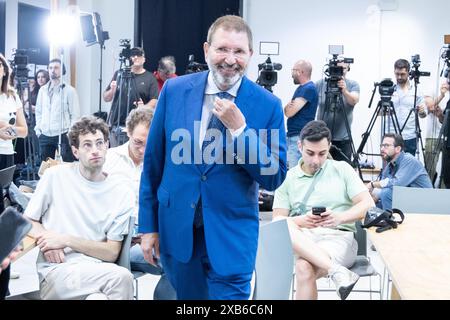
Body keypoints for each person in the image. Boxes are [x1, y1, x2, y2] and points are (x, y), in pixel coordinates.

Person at [139, 15, 287, 300]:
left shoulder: (268, 105)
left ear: (250, 55)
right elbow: (153, 164)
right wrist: (148, 226)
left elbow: (274, 175)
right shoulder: (174, 90)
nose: (230, 60)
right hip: (178, 233)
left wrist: (240, 130)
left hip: (231, 238)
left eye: (239, 51)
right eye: (222, 49)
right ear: (206, 50)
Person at [24, 116, 135, 300]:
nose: (95, 151)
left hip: (99, 270)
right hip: (58, 271)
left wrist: (65, 240)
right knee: (122, 277)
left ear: (107, 145)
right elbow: (29, 220)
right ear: (75, 152)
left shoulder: (121, 192)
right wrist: (48, 241)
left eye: (100, 143)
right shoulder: (55, 177)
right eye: (87, 145)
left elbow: (112, 252)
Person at [272, 120, 374, 300]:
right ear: (299, 146)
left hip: (339, 239)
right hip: (303, 238)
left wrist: (340, 218)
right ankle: (337, 271)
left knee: (304, 267)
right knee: (281, 224)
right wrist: (301, 221)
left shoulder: (342, 169)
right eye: (310, 153)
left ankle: (336, 270)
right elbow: (278, 220)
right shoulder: (287, 178)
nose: (316, 160)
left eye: (322, 154)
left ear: (329, 148)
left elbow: (368, 204)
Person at [0, 53, 29, 299]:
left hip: (7, 153)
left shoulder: (12, 95)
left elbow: (23, 129)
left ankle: (5, 274)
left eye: (0, 65)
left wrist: (7, 130)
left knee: (6, 208)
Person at [103, 47, 158, 147]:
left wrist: (144, 108)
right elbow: (106, 98)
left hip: (138, 126)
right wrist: (112, 90)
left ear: (144, 59)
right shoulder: (119, 74)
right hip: (117, 125)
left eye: (139, 55)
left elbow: (155, 100)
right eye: (133, 55)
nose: (136, 57)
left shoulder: (150, 78)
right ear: (129, 58)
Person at [366, 133, 432, 210]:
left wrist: (372, 184)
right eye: (382, 145)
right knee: (372, 207)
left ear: (398, 149)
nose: (382, 149)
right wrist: (370, 198)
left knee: (387, 193)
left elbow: (397, 183)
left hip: (425, 201)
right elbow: (383, 186)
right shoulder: (389, 166)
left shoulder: (409, 160)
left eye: (386, 146)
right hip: (408, 199)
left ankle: (388, 221)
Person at [35, 59, 80, 162]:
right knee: (46, 169)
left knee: (68, 165)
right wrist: (39, 129)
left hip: (63, 134)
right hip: (45, 135)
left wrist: (70, 133)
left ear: (62, 70)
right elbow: (38, 111)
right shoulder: (42, 90)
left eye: (56, 68)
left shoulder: (69, 91)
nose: (52, 70)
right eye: (50, 68)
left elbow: (75, 115)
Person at [316, 61, 360, 163]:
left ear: (348, 69)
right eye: (337, 68)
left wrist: (344, 91)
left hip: (343, 139)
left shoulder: (352, 84)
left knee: (343, 172)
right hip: (322, 137)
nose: (339, 72)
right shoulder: (320, 84)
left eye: (343, 69)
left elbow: (354, 101)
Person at [387, 59, 426, 156]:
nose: (399, 77)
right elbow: (379, 112)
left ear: (408, 72)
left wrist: (421, 111)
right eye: (397, 74)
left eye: (402, 74)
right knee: (391, 166)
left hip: (410, 135)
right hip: (392, 135)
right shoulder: (390, 90)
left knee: (409, 166)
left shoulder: (416, 90)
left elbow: (423, 115)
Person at [284, 60, 318, 169]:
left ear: (300, 72)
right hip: (294, 135)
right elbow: (287, 110)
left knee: (295, 174)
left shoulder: (308, 89)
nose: (291, 74)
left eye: (293, 70)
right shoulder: (301, 88)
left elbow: (290, 112)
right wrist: (287, 107)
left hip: (299, 136)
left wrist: (288, 107)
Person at [423, 81, 447, 183]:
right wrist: (441, 95)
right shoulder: (434, 85)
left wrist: (441, 116)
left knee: (447, 171)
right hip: (432, 136)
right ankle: (426, 192)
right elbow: (430, 106)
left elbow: (443, 119)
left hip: (447, 136)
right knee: (429, 169)